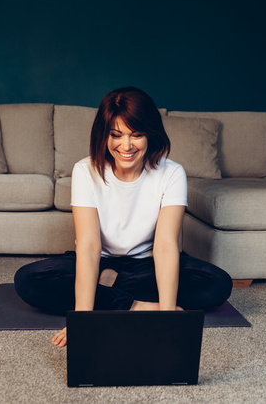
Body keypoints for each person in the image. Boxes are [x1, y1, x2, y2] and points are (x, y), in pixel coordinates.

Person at [14, 86, 232, 347]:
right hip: (100, 260)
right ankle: (136, 304)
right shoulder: (85, 171)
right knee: (28, 280)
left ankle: (109, 290)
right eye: (116, 135)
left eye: (136, 135)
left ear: (150, 135)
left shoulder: (172, 173)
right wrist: (82, 320)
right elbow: (89, 246)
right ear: (104, 136)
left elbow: (164, 246)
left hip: (147, 266)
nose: (126, 146)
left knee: (218, 284)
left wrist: (166, 316)